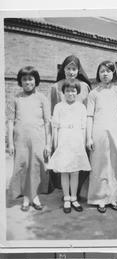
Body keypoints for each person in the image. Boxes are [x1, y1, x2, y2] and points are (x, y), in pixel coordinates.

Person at [85, 60, 117, 213]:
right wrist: (89, 138)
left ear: (113, 73)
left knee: (114, 166)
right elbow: (89, 117)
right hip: (98, 134)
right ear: (98, 74)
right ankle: (99, 199)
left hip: (115, 134)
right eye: (102, 71)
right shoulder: (93, 93)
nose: (105, 74)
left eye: (108, 71)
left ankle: (112, 198)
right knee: (98, 166)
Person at [7, 66, 52, 211]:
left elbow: (47, 122)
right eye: (24, 79)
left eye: (30, 79)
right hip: (20, 141)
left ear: (36, 80)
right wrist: (10, 143)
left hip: (39, 139)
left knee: (37, 167)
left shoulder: (42, 98)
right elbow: (10, 122)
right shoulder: (15, 99)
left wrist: (48, 144)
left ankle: (36, 197)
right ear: (20, 81)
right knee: (23, 167)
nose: (27, 82)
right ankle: (26, 198)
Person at [47, 79, 91, 213]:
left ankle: (74, 198)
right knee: (65, 171)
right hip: (64, 140)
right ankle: (66, 198)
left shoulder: (81, 107)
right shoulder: (59, 106)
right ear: (63, 92)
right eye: (67, 91)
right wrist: (56, 144)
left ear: (77, 92)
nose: (70, 93)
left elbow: (84, 127)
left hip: (77, 141)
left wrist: (82, 144)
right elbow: (55, 127)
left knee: (75, 171)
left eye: (73, 91)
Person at [49, 55, 91, 194]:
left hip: (79, 133)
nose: (71, 72)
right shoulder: (56, 87)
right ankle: (65, 193)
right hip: (63, 134)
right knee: (64, 163)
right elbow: (52, 111)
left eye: (74, 68)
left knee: (78, 163)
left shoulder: (84, 86)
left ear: (79, 70)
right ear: (63, 70)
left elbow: (88, 111)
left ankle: (77, 191)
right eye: (68, 68)